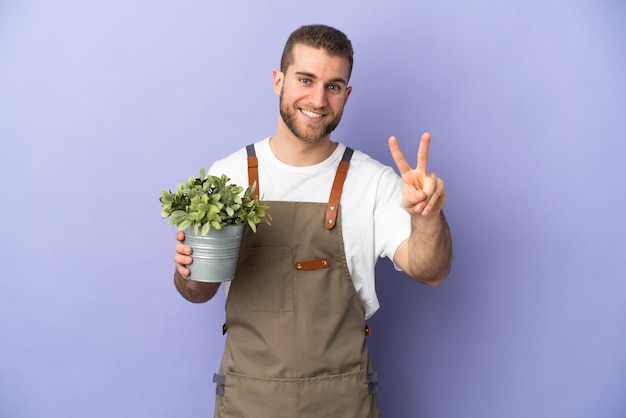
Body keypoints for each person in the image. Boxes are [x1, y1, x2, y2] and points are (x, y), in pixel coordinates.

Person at [172, 24, 452, 418]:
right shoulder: (228, 178)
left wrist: (428, 216)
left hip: (343, 403)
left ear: (346, 95)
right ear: (278, 80)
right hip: (248, 402)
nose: (318, 99)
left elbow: (431, 271)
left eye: (333, 86)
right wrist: (188, 269)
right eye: (306, 80)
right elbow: (197, 291)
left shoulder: (372, 181)